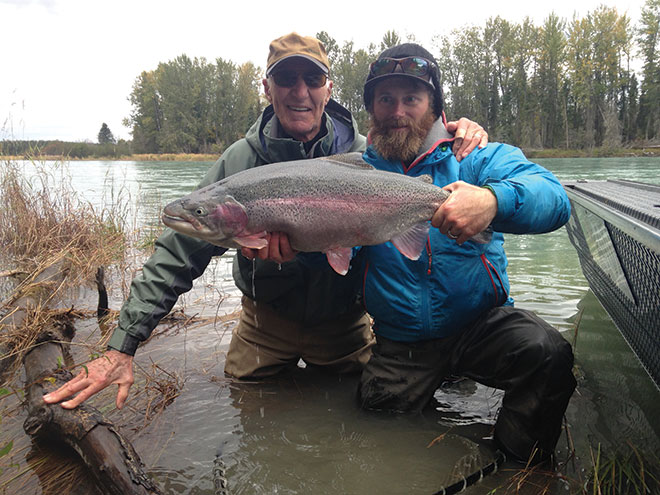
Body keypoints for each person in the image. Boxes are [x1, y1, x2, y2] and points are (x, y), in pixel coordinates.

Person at [43, 33, 487, 410]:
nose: (300, 92)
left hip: (344, 322)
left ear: (328, 88)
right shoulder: (240, 163)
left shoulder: (368, 148)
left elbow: (421, 138)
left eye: (312, 79)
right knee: (246, 403)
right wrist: (121, 346)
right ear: (267, 87)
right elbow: (175, 258)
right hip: (265, 321)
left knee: (350, 410)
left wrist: (458, 130)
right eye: (285, 79)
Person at [354, 43, 576, 466]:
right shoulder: (355, 175)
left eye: (412, 99)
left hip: (481, 327)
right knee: (374, 429)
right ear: (372, 111)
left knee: (546, 352)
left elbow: (555, 198)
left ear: (435, 106)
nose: (398, 110)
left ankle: (516, 468)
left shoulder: (475, 157)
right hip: (403, 343)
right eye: (385, 99)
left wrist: (493, 201)